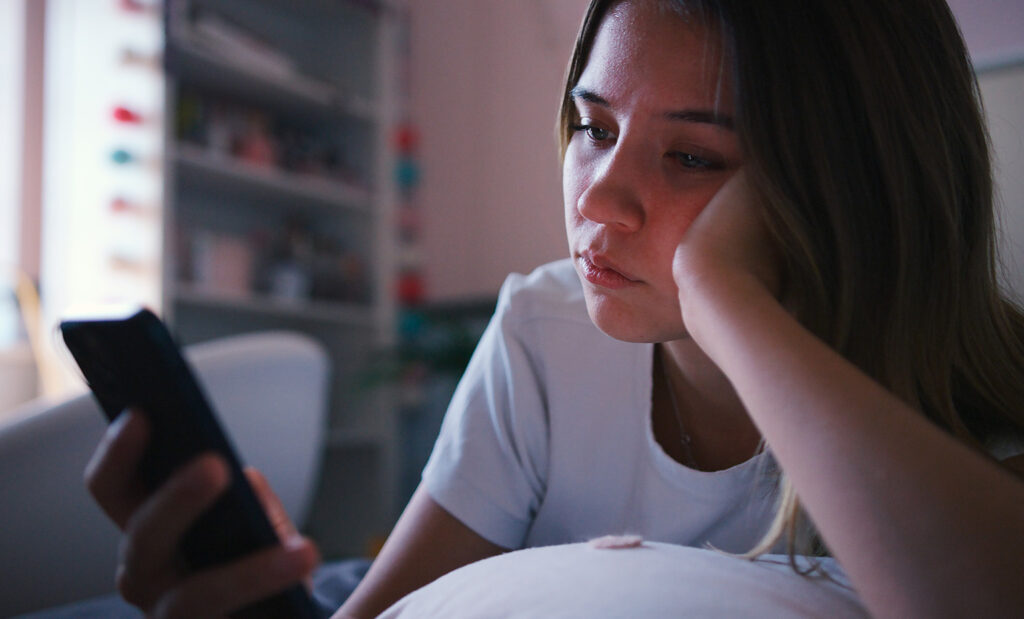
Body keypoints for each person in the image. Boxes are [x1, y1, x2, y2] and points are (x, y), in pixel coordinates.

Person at [85, 0, 1024, 617]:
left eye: (694, 156)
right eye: (595, 128)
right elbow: (382, 607)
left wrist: (723, 296)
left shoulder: (971, 404)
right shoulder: (546, 328)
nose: (597, 201)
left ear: (853, 186)